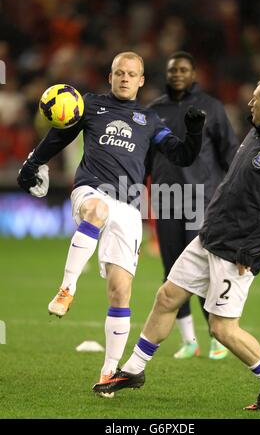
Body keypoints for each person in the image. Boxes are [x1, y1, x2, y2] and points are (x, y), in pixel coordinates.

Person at [93, 76, 260, 410]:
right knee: (167, 296)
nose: (250, 102)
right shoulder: (255, 133)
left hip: (236, 251)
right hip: (210, 237)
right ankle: (133, 370)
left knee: (222, 329)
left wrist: (254, 248)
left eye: (256, 98)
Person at [17, 51, 206, 399]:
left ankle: (109, 372)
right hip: (91, 191)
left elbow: (182, 155)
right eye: (119, 72)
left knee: (121, 291)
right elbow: (59, 137)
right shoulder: (88, 105)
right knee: (96, 210)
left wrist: (193, 132)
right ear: (110, 76)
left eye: (131, 74)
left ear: (141, 80)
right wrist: (34, 162)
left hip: (130, 208)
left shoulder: (149, 121)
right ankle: (67, 287)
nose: (124, 78)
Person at [147, 51, 239, 359]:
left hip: (202, 201)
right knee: (172, 272)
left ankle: (217, 337)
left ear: (194, 74)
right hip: (166, 200)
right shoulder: (152, 110)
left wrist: (233, 195)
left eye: (183, 70)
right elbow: (144, 159)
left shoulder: (211, 107)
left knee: (203, 270)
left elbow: (230, 154)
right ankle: (189, 341)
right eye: (173, 70)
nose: (177, 74)